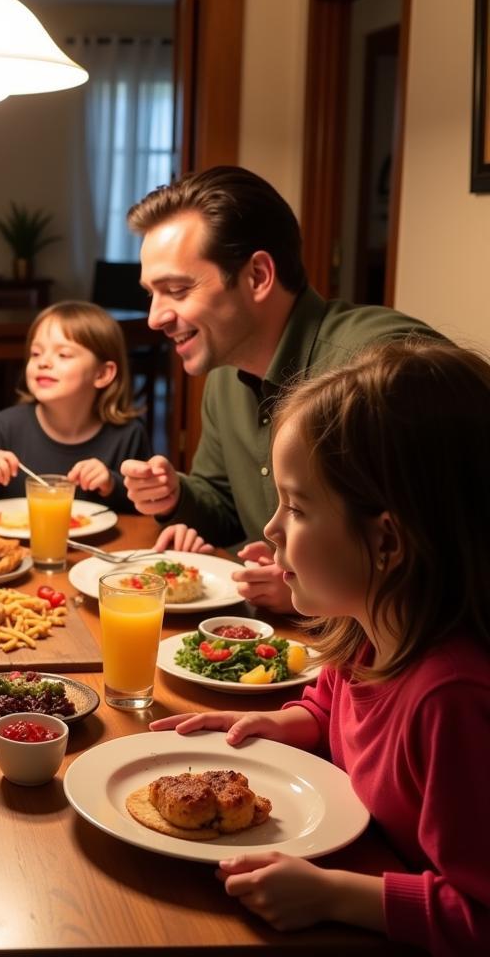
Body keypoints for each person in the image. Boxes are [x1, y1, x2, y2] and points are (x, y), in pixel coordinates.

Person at [151, 340, 490, 955]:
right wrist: (283, 721)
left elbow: (481, 914)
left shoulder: (454, 699)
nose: (271, 529)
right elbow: (331, 708)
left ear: (387, 541)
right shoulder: (370, 632)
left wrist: (335, 896)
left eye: (297, 507)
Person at [120, 166, 439, 610]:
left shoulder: (379, 365)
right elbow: (227, 509)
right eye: (151, 294)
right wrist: (177, 495)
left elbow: (449, 548)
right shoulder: (223, 379)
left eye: (176, 289)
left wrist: (309, 589)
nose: (155, 318)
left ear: (258, 276)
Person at [0, 302, 149, 512]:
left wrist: (112, 485)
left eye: (63, 355)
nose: (44, 362)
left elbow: (150, 511)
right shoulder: (9, 425)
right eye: (35, 353)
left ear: (102, 374)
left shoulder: (128, 435)